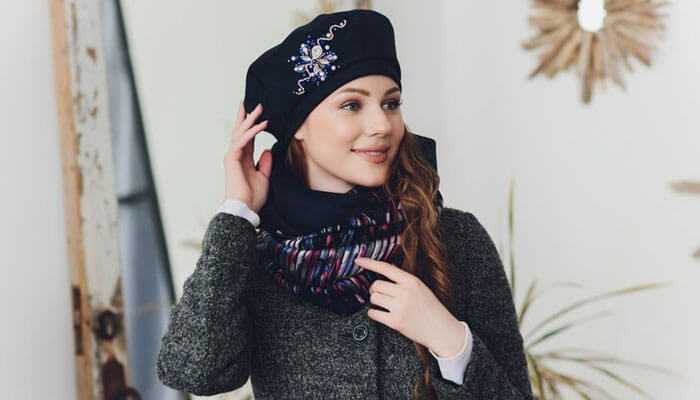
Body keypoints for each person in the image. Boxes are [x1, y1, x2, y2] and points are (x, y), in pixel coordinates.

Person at [156, 9, 533, 400]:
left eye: (391, 103)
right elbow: (192, 371)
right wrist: (236, 212)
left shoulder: (456, 239)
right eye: (352, 105)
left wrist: (452, 343)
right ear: (297, 125)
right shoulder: (253, 255)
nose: (382, 125)